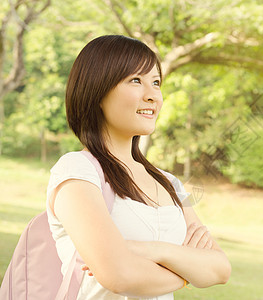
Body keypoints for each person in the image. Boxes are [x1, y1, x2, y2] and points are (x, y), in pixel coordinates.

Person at [46, 35, 231, 299]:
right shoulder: (77, 171)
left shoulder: (171, 184)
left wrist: (155, 251)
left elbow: (221, 269)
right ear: (98, 90)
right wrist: (190, 271)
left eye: (156, 82)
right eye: (136, 80)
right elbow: (119, 276)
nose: (152, 95)